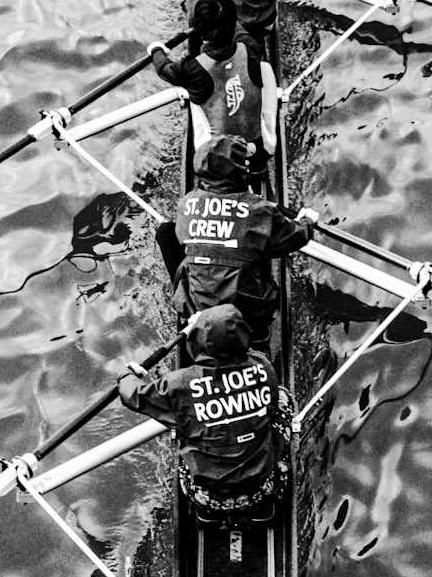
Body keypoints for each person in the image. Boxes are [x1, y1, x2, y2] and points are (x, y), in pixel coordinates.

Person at [118, 305, 287, 523]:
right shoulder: (262, 365)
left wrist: (127, 375)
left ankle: (208, 514)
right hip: (262, 489)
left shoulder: (178, 384)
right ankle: (261, 512)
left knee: (181, 422)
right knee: (282, 399)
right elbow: (249, 360)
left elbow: (134, 395)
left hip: (206, 495)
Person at [154, 138, 317, 350]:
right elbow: (297, 237)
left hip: (198, 308)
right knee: (263, 246)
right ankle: (258, 335)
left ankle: (195, 315)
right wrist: (308, 222)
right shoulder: (259, 210)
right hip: (247, 315)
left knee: (166, 231)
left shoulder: (186, 204)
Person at [149, 0, 273, 164]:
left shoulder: (192, 68)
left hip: (217, 157)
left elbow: (162, 68)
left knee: (191, 90)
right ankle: (261, 157)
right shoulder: (249, 46)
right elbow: (237, 29)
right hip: (255, 146)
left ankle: (209, 159)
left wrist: (156, 49)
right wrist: (224, 18)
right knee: (264, 68)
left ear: (200, 30)